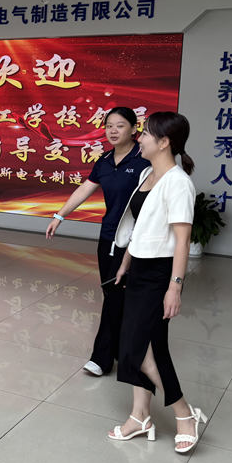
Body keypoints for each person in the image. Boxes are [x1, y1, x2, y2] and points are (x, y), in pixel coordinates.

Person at [108, 111, 206, 453]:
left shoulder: (178, 183)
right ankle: (140, 416)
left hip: (160, 273)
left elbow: (182, 240)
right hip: (139, 268)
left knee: (140, 349)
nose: (140, 138)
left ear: (164, 142)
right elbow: (143, 225)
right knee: (143, 346)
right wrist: (127, 261)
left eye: (146, 133)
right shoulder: (148, 174)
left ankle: (184, 414)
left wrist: (174, 286)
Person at [45, 107, 150, 377]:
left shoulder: (144, 160)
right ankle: (123, 351)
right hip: (108, 237)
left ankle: (102, 358)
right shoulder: (104, 160)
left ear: (134, 129)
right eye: (109, 126)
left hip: (133, 241)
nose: (113, 131)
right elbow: (85, 188)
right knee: (113, 295)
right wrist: (60, 215)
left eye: (120, 125)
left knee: (116, 297)